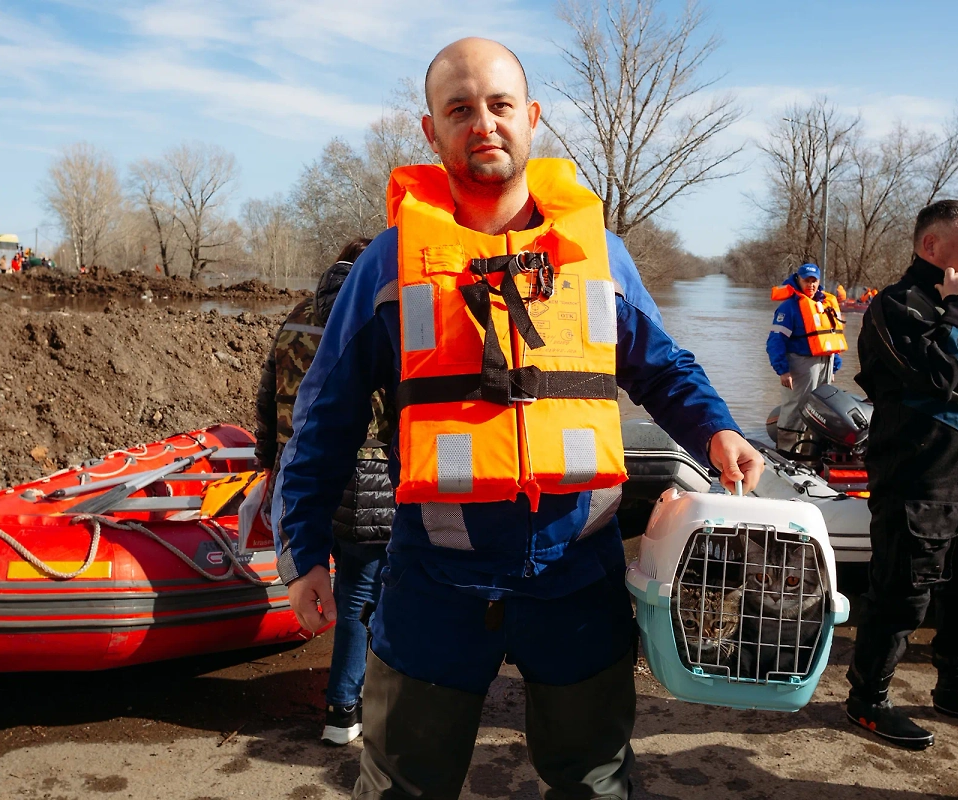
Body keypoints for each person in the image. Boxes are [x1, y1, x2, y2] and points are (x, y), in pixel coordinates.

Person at [271, 37, 763, 799]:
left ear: (531, 118)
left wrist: (717, 428)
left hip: (577, 574)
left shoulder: (602, 255)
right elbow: (324, 419)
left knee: (594, 782)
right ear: (431, 132)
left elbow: (662, 367)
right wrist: (302, 549)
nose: (484, 123)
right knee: (402, 783)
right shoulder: (387, 266)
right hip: (433, 580)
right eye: (459, 109)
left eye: (500, 105)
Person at [846, 199, 958, 750]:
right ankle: (868, 700)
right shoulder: (894, 306)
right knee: (903, 594)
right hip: (917, 477)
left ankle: (956, 686)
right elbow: (938, 377)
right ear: (932, 246)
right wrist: (954, 311)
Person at [254, 238, 394, 746]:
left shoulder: (295, 317)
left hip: (303, 470)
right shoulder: (382, 314)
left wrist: (269, 463)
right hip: (369, 471)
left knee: (330, 573)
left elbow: (268, 396)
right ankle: (344, 708)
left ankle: (353, 693)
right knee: (363, 587)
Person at [766, 262, 847, 455]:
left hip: (824, 364)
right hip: (800, 363)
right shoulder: (789, 308)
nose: (811, 284)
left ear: (819, 282)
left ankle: (812, 451)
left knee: (821, 406)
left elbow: (831, 337)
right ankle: (787, 450)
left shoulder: (825, 304)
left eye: (814, 281)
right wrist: (783, 370)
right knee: (795, 406)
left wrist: (834, 366)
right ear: (798, 280)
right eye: (806, 280)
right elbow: (775, 341)